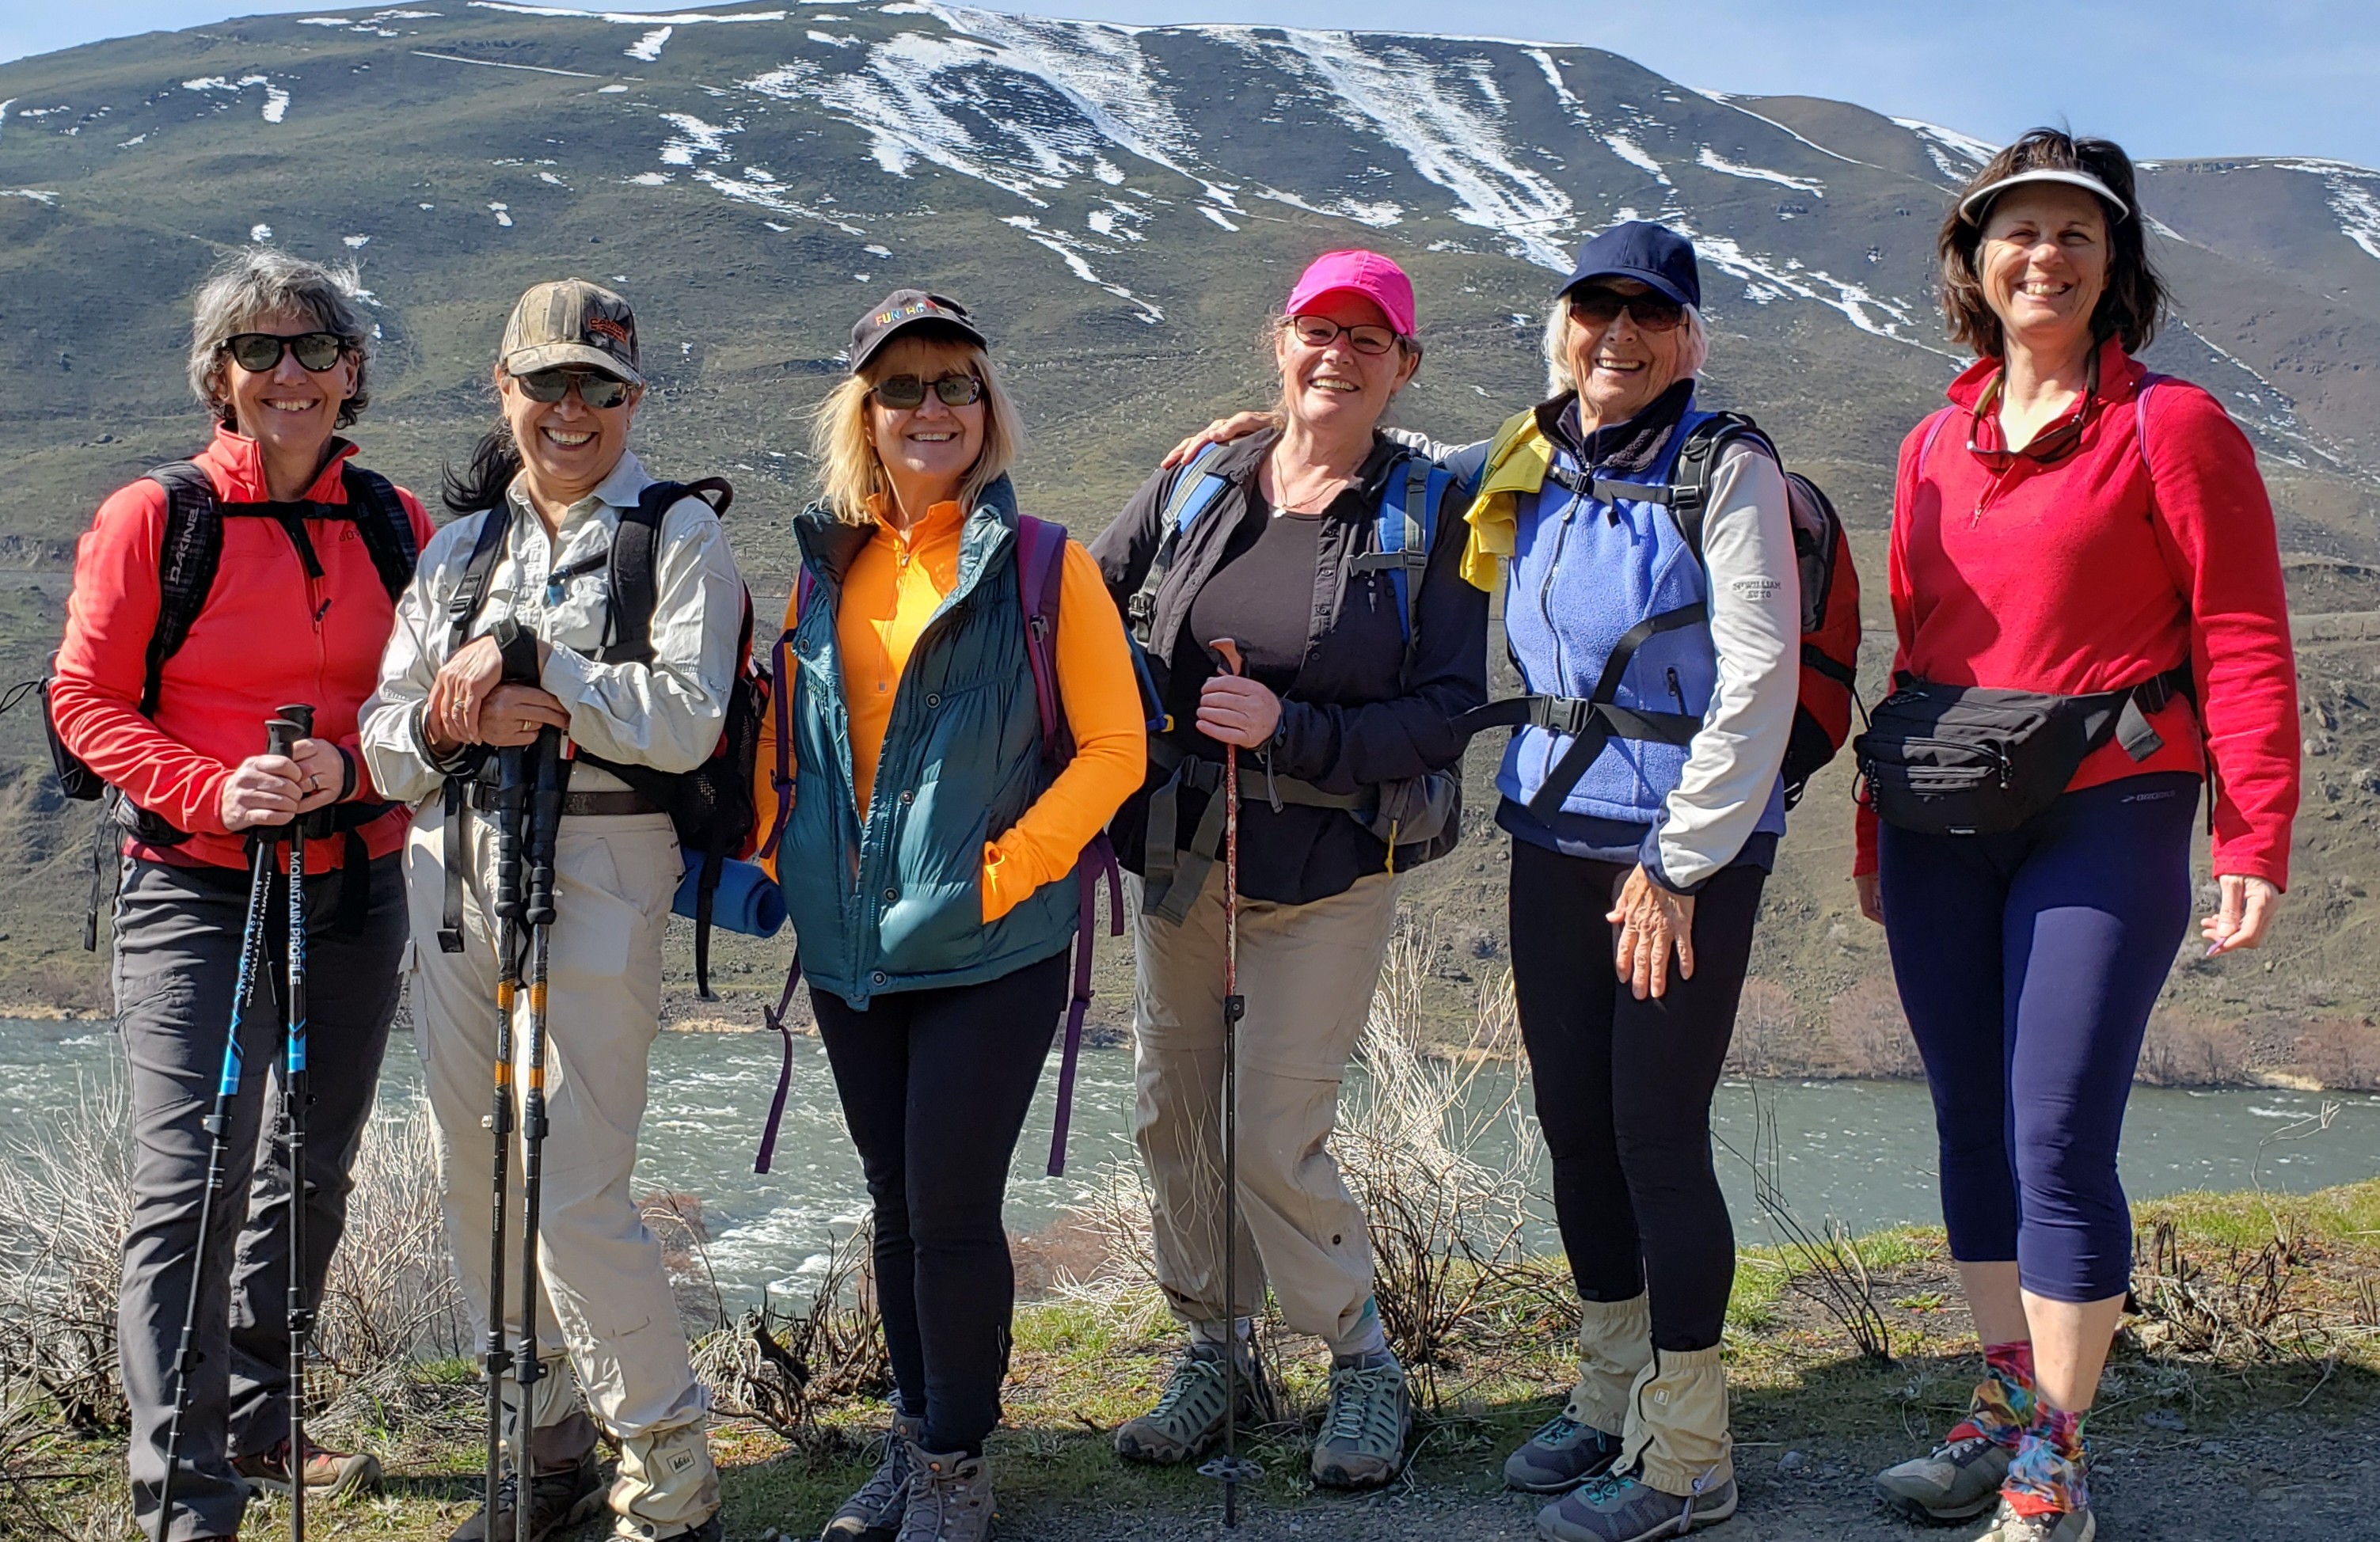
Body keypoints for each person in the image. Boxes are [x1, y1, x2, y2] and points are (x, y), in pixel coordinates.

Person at [1856, 132, 2299, 1542]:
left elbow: (2241, 632)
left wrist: (2251, 831)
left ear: (2113, 267)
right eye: (2017, 232)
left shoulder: (2172, 426)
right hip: (1941, 819)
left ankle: (2057, 1447)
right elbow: (1916, 654)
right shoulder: (1931, 442)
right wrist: (1871, 830)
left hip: (2110, 807)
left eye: (2073, 234)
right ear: (1971, 260)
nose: (2041, 256)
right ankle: (2001, 1397)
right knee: (1968, 1121)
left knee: (2053, 1130)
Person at [1087, 251, 1488, 1493]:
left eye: (1368, 339)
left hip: (1326, 871)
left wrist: (1290, 730)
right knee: (1173, 1118)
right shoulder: (1198, 481)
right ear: (1280, 342)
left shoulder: (1428, 513)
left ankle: (1360, 1359)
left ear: (1402, 366)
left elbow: (1449, 709)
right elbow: (1082, 607)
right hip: (1180, 861)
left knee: (1270, 1133)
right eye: (1320, 330)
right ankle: (1216, 1349)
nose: (1338, 355)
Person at [48, 248, 432, 1540]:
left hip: (356, 884)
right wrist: (212, 789)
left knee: (312, 1170)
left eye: (314, 348)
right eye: (258, 350)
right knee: (194, 1182)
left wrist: (350, 763)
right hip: (195, 890)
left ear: (352, 371)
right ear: (218, 375)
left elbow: (424, 702)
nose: (288, 373)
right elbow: (84, 699)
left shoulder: (397, 522)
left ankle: (264, 1421)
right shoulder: (156, 517)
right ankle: (184, 1495)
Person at [754, 290, 1144, 1542]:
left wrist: (1002, 874)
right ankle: (917, 1430)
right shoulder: (829, 566)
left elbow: (1115, 748)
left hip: (990, 944)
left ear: (987, 407)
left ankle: (955, 1465)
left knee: (951, 1207)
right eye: (901, 388)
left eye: (955, 385)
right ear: (863, 414)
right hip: (849, 946)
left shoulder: (1043, 564)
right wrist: (777, 858)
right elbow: (792, 744)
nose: (931, 408)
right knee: (894, 1205)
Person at [359, 279, 744, 1542]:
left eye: (599, 387)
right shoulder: (455, 550)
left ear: (633, 397)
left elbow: (687, 724)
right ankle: (543, 1450)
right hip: (453, 869)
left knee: (574, 1184)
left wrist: (542, 666)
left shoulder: (675, 536)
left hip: (601, 863)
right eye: (546, 384)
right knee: (477, 1175)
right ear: (504, 389)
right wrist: (451, 719)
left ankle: (669, 1477)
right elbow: (384, 743)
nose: (571, 410)